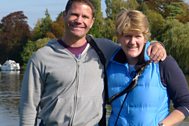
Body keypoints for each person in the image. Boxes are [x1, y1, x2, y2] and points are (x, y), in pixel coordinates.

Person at [19, 0, 167, 126]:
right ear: (64, 16)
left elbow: (133, 46)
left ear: (92, 22)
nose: (79, 20)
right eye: (74, 14)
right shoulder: (42, 57)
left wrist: (155, 45)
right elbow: (28, 107)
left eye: (85, 16)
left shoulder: (104, 49)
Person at [106, 9, 189, 126]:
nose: (132, 42)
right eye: (127, 36)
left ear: (145, 37)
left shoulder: (163, 62)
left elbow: (186, 104)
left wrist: (162, 125)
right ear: (119, 37)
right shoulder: (109, 64)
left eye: (138, 36)